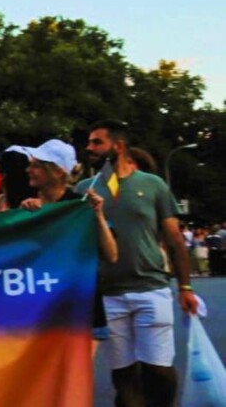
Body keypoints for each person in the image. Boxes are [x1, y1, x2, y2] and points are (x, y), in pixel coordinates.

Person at [80, 120, 197, 407]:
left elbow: (174, 240)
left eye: (97, 142)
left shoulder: (153, 185)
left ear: (117, 146)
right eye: (90, 142)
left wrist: (185, 286)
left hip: (151, 288)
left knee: (158, 371)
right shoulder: (85, 189)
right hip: (108, 295)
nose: (89, 148)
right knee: (124, 376)